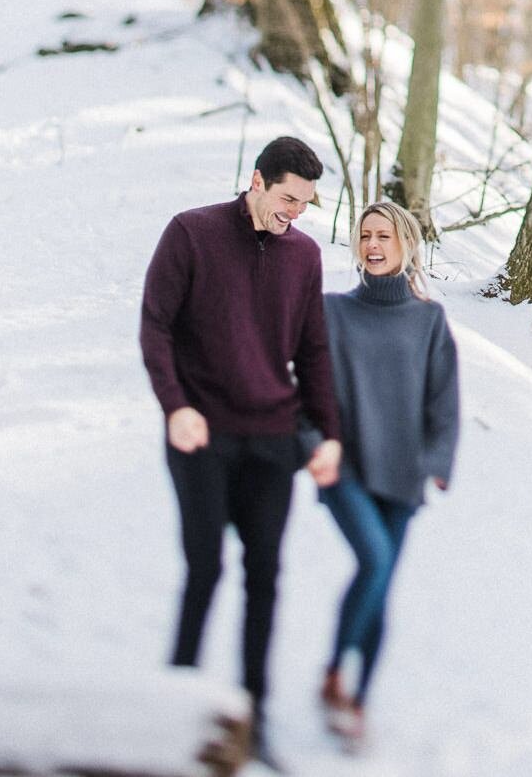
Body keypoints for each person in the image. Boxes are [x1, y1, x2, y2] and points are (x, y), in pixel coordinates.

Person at [139, 135, 344, 771]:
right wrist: (176, 406)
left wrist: (328, 432)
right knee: (205, 568)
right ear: (256, 182)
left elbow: (312, 350)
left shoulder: (303, 256)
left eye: (306, 204)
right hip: (202, 433)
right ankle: (174, 711)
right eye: (288, 198)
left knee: (264, 577)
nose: (295, 213)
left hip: (271, 439)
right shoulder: (191, 233)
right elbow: (156, 326)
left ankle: (255, 719)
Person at [313, 200, 461, 745]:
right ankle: (333, 674)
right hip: (346, 466)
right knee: (374, 560)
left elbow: (444, 401)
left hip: (402, 473)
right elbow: (308, 389)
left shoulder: (428, 319)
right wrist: (314, 444)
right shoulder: (332, 311)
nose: (373, 245)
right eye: (366, 236)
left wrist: (438, 461)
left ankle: (357, 700)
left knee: (381, 583)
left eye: (384, 236)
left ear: (406, 245)